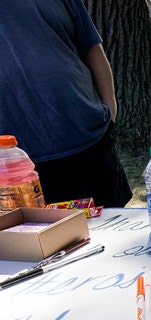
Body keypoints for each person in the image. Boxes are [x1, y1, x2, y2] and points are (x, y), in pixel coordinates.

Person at [0, 0, 132, 207]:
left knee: (112, 225)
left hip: (86, 139)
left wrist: (110, 111)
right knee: (35, 235)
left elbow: (93, 50)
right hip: (14, 162)